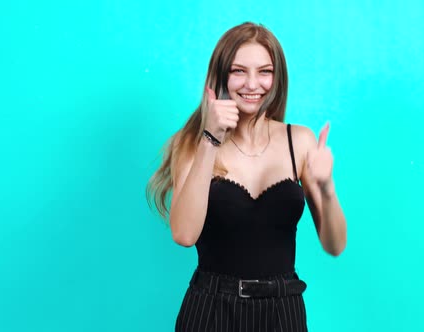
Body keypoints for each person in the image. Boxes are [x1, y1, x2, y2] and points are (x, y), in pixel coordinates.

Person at [146, 22, 347, 332]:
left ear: (277, 78)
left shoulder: (301, 141)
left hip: (283, 312)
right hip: (210, 310)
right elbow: (184, 235)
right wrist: (210, 139)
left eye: (264, 71)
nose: (252, 84)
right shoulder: (191, 143)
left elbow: (335, 245)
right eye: (239, 71)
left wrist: (327, 188)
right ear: (221, 76)